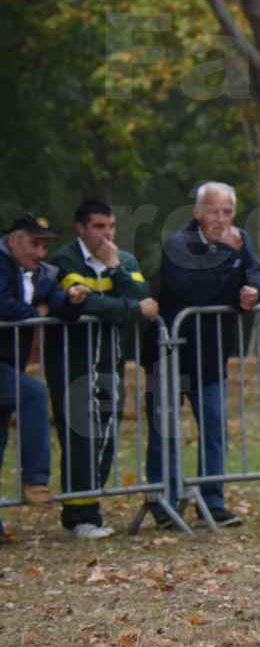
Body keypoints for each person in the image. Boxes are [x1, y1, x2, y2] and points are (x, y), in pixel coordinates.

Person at [144, 182, 260, 528]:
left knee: (214, 429)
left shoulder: (238, 240)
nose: (221, 218)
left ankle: (212, 502)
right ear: (197, 212)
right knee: (164, 430)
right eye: (213, 211)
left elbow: (255, 271)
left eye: (227, 212)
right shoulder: (178, 244)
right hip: (168, 354)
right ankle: (163, 503)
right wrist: (227, 257)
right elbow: (194, 290)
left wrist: (253, 292)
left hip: (211, 355)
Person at [44, 200, 158, 540]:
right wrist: (129, 307)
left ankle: (88, 509)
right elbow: (87, 307)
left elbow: (144, 299)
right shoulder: (65, 260)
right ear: (80, 227)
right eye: (98, 227)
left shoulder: (123, 260)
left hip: (111, 359)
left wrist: (114, 271)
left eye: (110, 226)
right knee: (80, 435)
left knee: (106, 434)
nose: (106, 234)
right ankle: (79, 517)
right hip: (72, 361)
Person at [1, 213, 88, 538]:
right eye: (34, 244)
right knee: (34, 394)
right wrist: (38, 313)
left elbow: (57, 305)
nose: (40, 253)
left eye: (44, 246)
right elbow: (3, 305)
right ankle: (35, 479)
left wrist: (72, 300)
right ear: (14, 239)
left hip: (9, 364)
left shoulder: (41, 273)